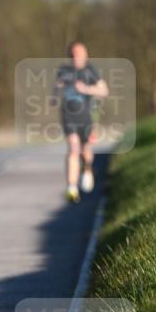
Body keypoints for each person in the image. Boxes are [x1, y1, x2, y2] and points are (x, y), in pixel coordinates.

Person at [54, 41, 109, 203]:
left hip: (86, 116)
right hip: (68, 116)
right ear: (69, 56)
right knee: (73, 148)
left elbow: (104, 91)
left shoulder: (91, 71)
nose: (77, 57)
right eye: (74, 54)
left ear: (86, 55)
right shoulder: (63, 71)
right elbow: (57, 89)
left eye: (80, 53)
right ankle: (71, 188)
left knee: (86, 149)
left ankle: (87, 169)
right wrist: (56, 94)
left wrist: (86, 89)